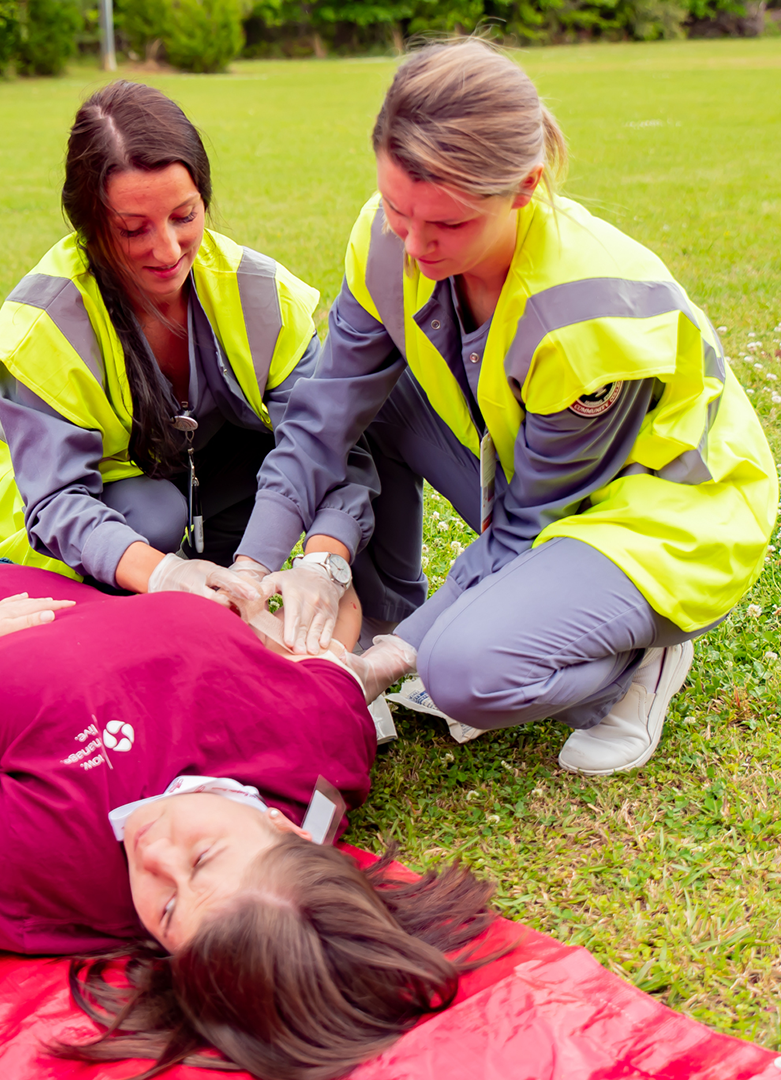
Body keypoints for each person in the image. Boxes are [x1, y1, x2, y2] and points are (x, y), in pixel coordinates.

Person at [0, 467, 497, 1080]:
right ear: (288, 829)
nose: (155, 863)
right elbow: (327, 657)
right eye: (204, 860)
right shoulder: (321, 746)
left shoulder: (46, 865)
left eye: (169, 912)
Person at [230, 40, 778, 775]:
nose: (415, 245)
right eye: (398, 209)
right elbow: (326, 413)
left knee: (463, 675)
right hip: (532, 480)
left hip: (657, 518)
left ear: (523, 188)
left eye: (448, 226)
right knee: (372, 402)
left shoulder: (584, 317)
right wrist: (249, 565)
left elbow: (530, 521)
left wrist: (400, 660)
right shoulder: (385, 237)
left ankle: (636, 660)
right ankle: (382, 620)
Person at [0, 80, 374, 616]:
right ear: (89, 230)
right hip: (38, 548)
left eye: (185, 216)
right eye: (133, 230)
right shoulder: (43, 322)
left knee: (320, 426)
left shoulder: (262, 295)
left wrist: (322, 564)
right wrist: (163, 572)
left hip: (191, 492)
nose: (168, 249)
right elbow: (57, 502)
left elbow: (329, 443)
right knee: (153, 514)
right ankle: (131, 613)